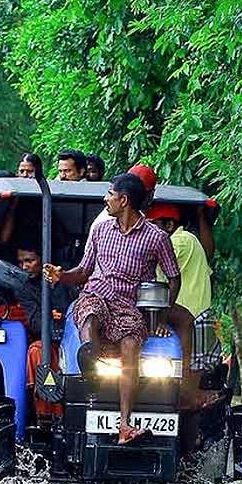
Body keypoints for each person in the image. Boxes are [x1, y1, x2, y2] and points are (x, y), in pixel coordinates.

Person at [44, 173, 181, 445]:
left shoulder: (156, 238)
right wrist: (62, 275)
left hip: (128, 305)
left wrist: (162, 316)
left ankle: (125, 425)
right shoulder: (100, 229)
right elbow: (83, 271)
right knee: (90, 314)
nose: (106, 199)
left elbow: (174, 278)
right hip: (97, 294)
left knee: (131, 344)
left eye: (110, 194)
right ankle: (90, 362)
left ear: (124, 200)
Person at [147, 202, 220, 374]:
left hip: (192, 317)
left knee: (187, 373)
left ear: (169, 225)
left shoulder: (181, 241)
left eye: (152, 226)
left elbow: (146, 262)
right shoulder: (188, 240)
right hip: (184, 314)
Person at [15, 244, 76, 418]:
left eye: (30, 261)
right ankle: (47, 415)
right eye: (21, 262)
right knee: (37, 351)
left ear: (43, 260)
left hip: (76, 339)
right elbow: (36, 324)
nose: (25, 267)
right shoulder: (25, 288)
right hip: (51, 342)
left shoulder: (67, 277)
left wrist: (57, 286)